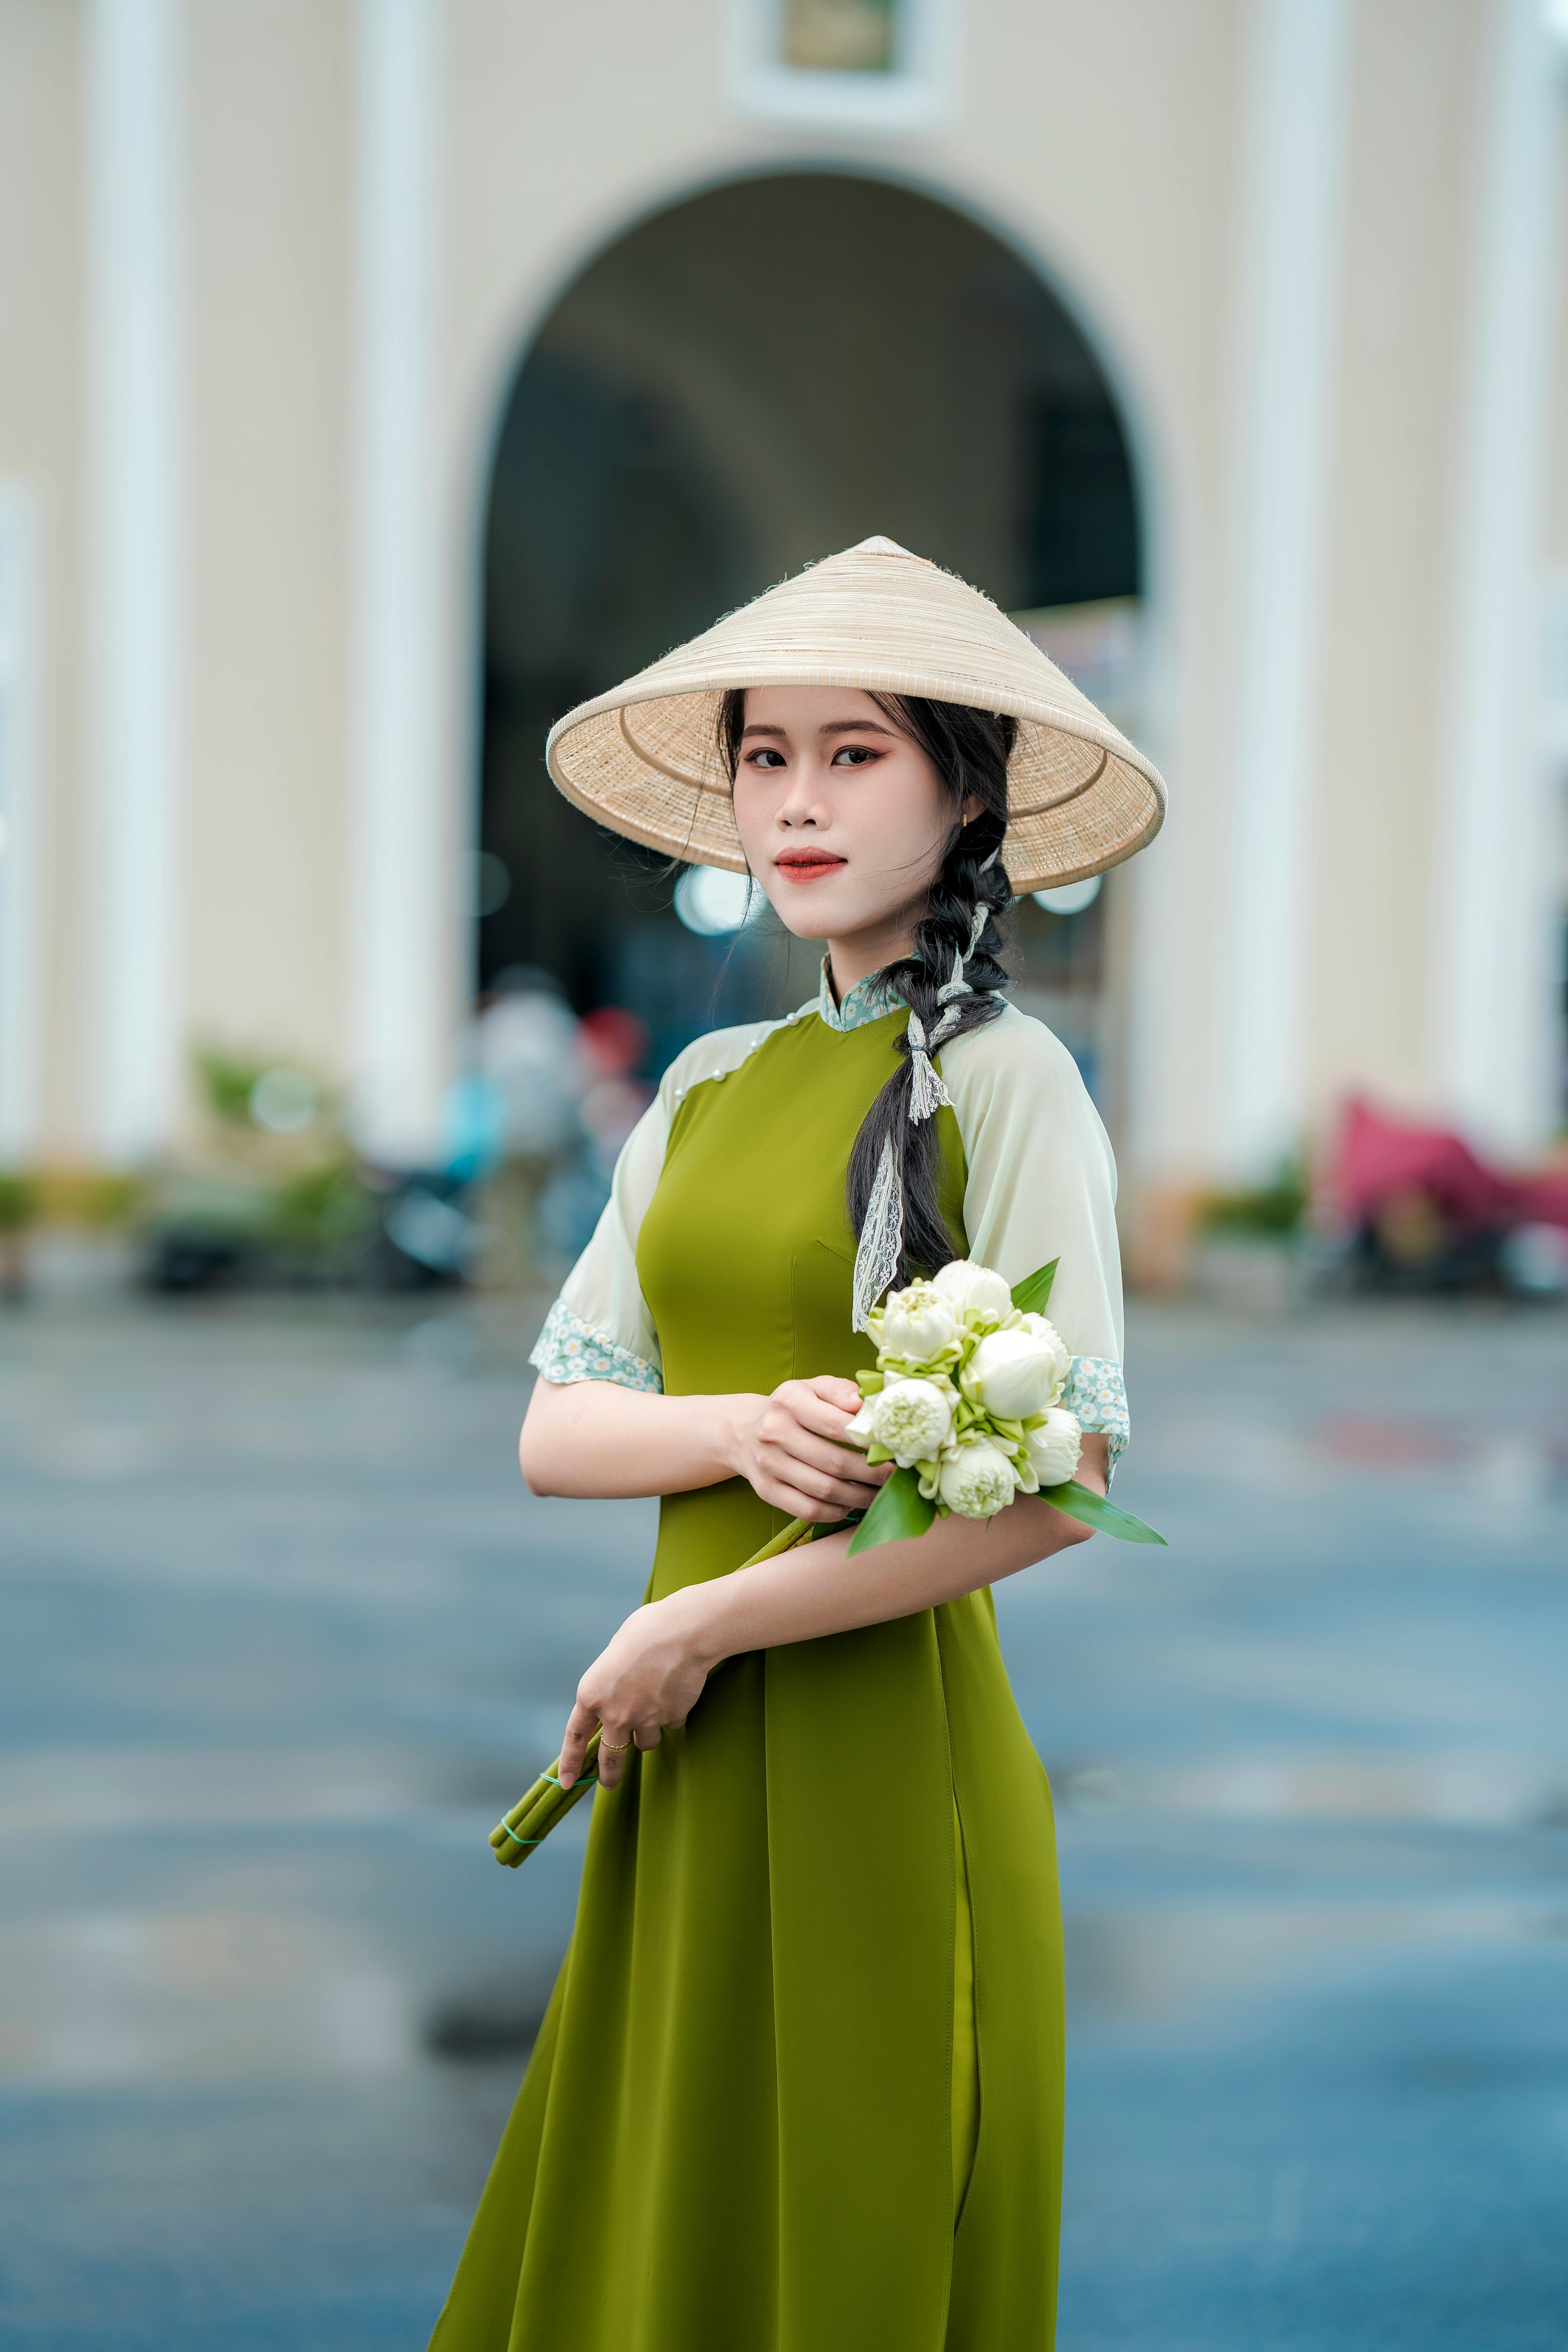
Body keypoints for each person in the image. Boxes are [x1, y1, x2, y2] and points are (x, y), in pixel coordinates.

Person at [429, 537, 1166, 2351]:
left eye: (859, 755)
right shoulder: (701, 1090)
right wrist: (742, 1428)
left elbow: (1064, 1485)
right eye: (769, 756)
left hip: (874, 1745)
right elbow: (558, 1430)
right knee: (671, 2225)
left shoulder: (1010, 1079)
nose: (801, 800)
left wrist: (693, 1626)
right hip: (684, 1746)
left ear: (965, 787)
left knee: (850, 2228)